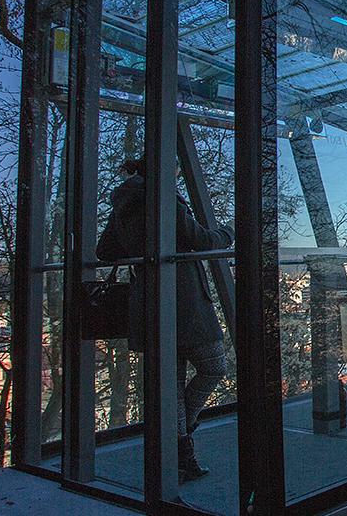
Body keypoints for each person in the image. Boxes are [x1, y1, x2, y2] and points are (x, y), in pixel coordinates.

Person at [96, 158, 234, 482]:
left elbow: (104, 250)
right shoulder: (163, 195)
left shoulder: (124, 202)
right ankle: (179, 437)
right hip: (183, 299)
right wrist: (228, 233)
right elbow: (199, 239)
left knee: (171, 379)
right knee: (214, 366)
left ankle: (178, 448)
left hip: (149, 302)